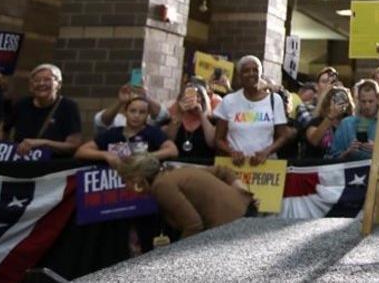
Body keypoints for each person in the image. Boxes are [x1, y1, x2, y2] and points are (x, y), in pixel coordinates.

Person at [116, 153, 256, 239]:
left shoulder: (162, 186)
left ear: (137, 179)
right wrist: (240, 190)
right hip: (245, 213)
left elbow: (194, 226)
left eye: (125, 180)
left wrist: (175, 259)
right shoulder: (174, 172)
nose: (124, 185)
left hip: (232, 227)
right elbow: (223, 171)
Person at [213, 55, 293, 165]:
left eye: (255, 70)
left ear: (260, 74)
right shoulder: (229, 101)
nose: (251, 74)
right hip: (236, 166)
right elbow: (218, 139)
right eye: (246, 71)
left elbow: (283, 136)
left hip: (266, 166)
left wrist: (266, 152)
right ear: (239, 76)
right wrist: (232, 152)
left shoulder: (274, 100)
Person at [0, 63, 82, 157]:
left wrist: (43, 143)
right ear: (31, 86)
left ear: (58, 84)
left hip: (54, 165)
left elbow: (73, 145)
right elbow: (3, 128)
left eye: (47, 80)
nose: (41, 83)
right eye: (37, 80)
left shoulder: (68, 106)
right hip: (22, 162)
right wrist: (0, 149)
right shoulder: (21, 105)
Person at [76, 94, 177, 166]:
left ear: (147, 115)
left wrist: (148, 156)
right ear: (125, 112)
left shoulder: (153, 132)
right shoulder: (113, 133)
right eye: (133, 111)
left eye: (142, 112)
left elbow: (172, 150)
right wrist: (105, 155)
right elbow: (81, 151)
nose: (136, 116)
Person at [164, 81, 217, 159]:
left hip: (202, 166)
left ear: (203, 100)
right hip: (176, 164)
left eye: (197, 96)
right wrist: (180, 113)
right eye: (188, 96)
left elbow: (212, 143)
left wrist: (200, 113)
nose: (192, 99)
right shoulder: (173, 119)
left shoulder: (211, 121)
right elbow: (168, 140)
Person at [329, 79, 379, 162]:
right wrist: (348, 152)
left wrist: (377, 150)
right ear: (358, 100)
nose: (367, 106)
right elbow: (332, 157)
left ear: (378, 99)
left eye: (371, 101)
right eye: (364, 101)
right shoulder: (346, 124)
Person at [93, 83, 164, 134]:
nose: (136, 116)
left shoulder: (147, 118)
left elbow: (162, 116)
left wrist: (146, 98)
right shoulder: (116, 118)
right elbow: (101, 121)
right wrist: (120, 102)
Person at [305, 85, 353, 158]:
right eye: (336, 100)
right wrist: (331, 116)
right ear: (328, 102)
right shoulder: (317, 121)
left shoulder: (349, 123)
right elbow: (314, 140)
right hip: (317, 164)